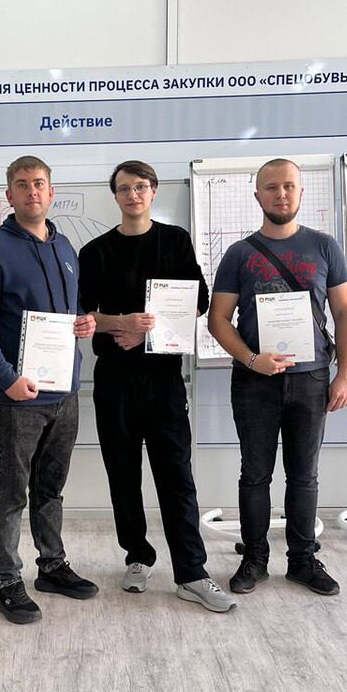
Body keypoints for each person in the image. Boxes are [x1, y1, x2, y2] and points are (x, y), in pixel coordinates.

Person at [78, 159, 234, 613]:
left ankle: (192, 573)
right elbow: (83, 315)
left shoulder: (175, 241)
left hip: (163, 379)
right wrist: (120, 322)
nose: (133, 195)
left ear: (153, 191)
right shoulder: (95, 251)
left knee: (176, 476)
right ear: (115, 195)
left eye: (141, 187)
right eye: (124, 188)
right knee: (122, 474)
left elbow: (198, 302)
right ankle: (137, 556)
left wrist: (146, 333)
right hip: (114, 380)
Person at [208, 158, 347, 596]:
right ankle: (254, 559)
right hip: (254, 382)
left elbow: (345, 313)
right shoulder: (239, 254)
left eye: (289, 186)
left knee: (304, 475)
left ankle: (302, 560)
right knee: (255, 474)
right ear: (258, 196)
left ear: (301, 191)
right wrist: (252, 359)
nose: (281, 194)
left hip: (311, 380)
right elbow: (218, 320)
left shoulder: (324, 246)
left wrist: (345, 375)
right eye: (271, 187)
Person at [0, 155, 98, 624]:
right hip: (17, 398)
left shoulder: (65, 247)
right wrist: (6, 378)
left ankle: (52, 566)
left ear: (51, 190)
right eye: (22, 184)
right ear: (10, 195)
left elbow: (69, 313)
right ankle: (7, 581)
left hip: (65, 394)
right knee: (9, 493)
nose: (32, 191)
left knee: (50, 488)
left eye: (39, 183)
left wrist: (85, 322)